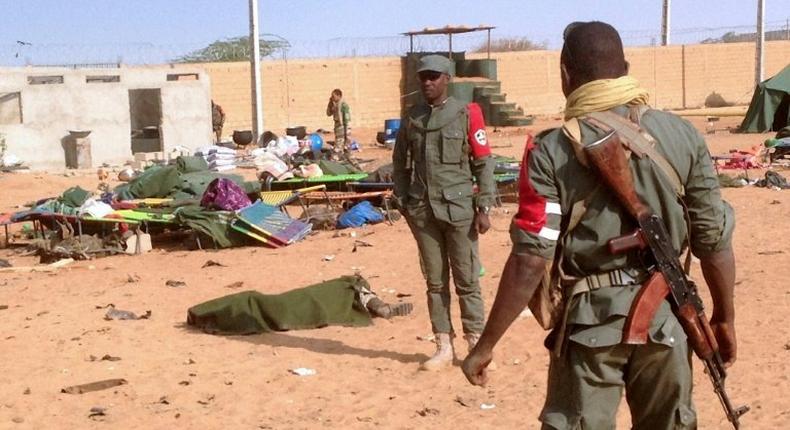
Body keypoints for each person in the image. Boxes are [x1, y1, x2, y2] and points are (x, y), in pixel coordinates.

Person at [462, 22, 737, 429]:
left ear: (564, 75)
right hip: (668, 319)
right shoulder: (682, 135)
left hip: (590, 327)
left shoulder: (551, 149)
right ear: (625, 68)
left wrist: (485, 346)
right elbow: (713, 242)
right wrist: (723, 316)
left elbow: (530, 259)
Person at [392, 55, 496, 371]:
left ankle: (476, 346)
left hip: (460, 210)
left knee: (467, 281)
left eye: (434, 77)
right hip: (424, 211)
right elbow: (399, 163)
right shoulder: (412, 119)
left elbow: (483, 162)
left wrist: (485, 205)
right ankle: (443, 345)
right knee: (435, 283)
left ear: (447, 79)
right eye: (423, 77)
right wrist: (404, 199)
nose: (427, 82)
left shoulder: (466, 114)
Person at [187, 275, 413, 334]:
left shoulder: (347, 287)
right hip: (329, 295)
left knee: (268, 302)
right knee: (266, 303)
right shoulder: (348, 286)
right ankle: (381, 307)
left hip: (321, 296)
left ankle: (380, 306)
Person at [326, 89, 351, 154]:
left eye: (333, 96)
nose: (332, 98)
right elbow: (328, 114)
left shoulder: (343, 105)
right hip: (337, 128)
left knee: (338, 149)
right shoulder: (335, 105)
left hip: (342, 128)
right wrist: (330, 104)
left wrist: (347, 136)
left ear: (339, 96)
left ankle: (334, 160)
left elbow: (347, 121)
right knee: (345, 151)